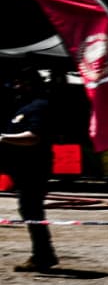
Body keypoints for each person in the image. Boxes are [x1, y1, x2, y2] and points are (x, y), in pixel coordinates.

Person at [2, 67, 58, 272]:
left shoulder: (39, 107)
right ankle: (43, 255)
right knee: (29, 210)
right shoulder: (22, 107)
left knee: (32, 210)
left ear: (30, 84)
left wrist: (3, 138)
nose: (16, 86)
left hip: (34, 168)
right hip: (20, 168)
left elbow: (34, 137)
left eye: (20, 82)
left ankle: (43, 256)